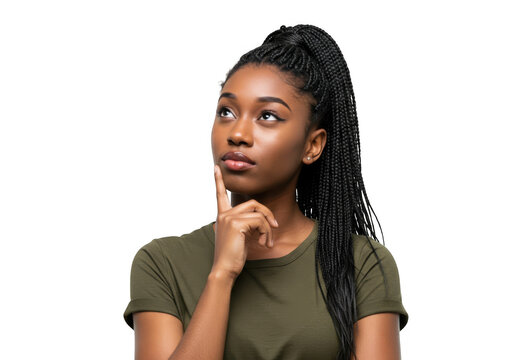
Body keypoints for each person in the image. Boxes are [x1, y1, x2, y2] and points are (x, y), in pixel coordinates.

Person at [123, 24, 408, 360]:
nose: (238, 133)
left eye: (268, 116)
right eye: (226, 111)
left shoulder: (361, 265)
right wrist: (222, 275)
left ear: (312, 145)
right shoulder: (162, 263)